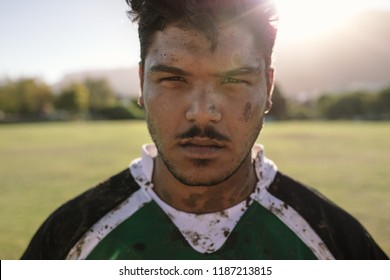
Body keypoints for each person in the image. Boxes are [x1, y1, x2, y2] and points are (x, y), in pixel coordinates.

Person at [22, 0, 387, 260]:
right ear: (141, 84)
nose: (202, 113)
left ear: (268, 87)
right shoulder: (70, 239)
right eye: (173, 78)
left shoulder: (336, 244)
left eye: (233, 80)